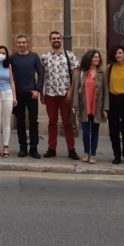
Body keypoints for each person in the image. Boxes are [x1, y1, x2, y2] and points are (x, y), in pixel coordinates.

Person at [40, 31, 80, 160]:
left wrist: (71, 90)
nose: (56, 40)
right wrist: (41, 92)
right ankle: (51, 148)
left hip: (65, 94)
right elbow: (41, 76)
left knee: (67, 122)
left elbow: (75, 73)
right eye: (53, 38)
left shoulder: (69, 56)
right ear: (50, 40)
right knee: (52, 122)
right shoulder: (44, 57)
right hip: (50, 94)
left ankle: (71, 149)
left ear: (61, 40)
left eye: (58, 38)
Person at [9, 34, 44, 158]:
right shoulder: (12, 58)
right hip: (18, 94)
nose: (22, 45)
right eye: (19, 42)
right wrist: (11, 93)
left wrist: (38, 90)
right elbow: (8, 75)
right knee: (20, 122)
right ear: (16, 44)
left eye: (24, 42)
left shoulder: (34, 57)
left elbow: (41, 73)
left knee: (33, 121)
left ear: (27, 43)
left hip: (32, 94)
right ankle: (22, 147)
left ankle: (34, 148)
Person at [73, 50, 109, 164]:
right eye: (95, 57)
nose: (97, 59)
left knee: (95, 132)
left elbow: (106, 91)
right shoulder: (81, 73)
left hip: (97, 107)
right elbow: (76, 91)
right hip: (85, 107)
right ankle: (86, 153)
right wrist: (76, 107)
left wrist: (105, 108)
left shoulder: (102, 73)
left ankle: (93, 154)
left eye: (98, 57)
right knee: (85, 132)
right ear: (89, 59)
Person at [0, 45, 17, 158]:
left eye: (4, 53)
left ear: (6, 55)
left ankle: (6, 146)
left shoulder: (9, 66)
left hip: (7, 94)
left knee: (6, 122)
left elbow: (11, 82)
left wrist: (14, 97)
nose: (1, 54)